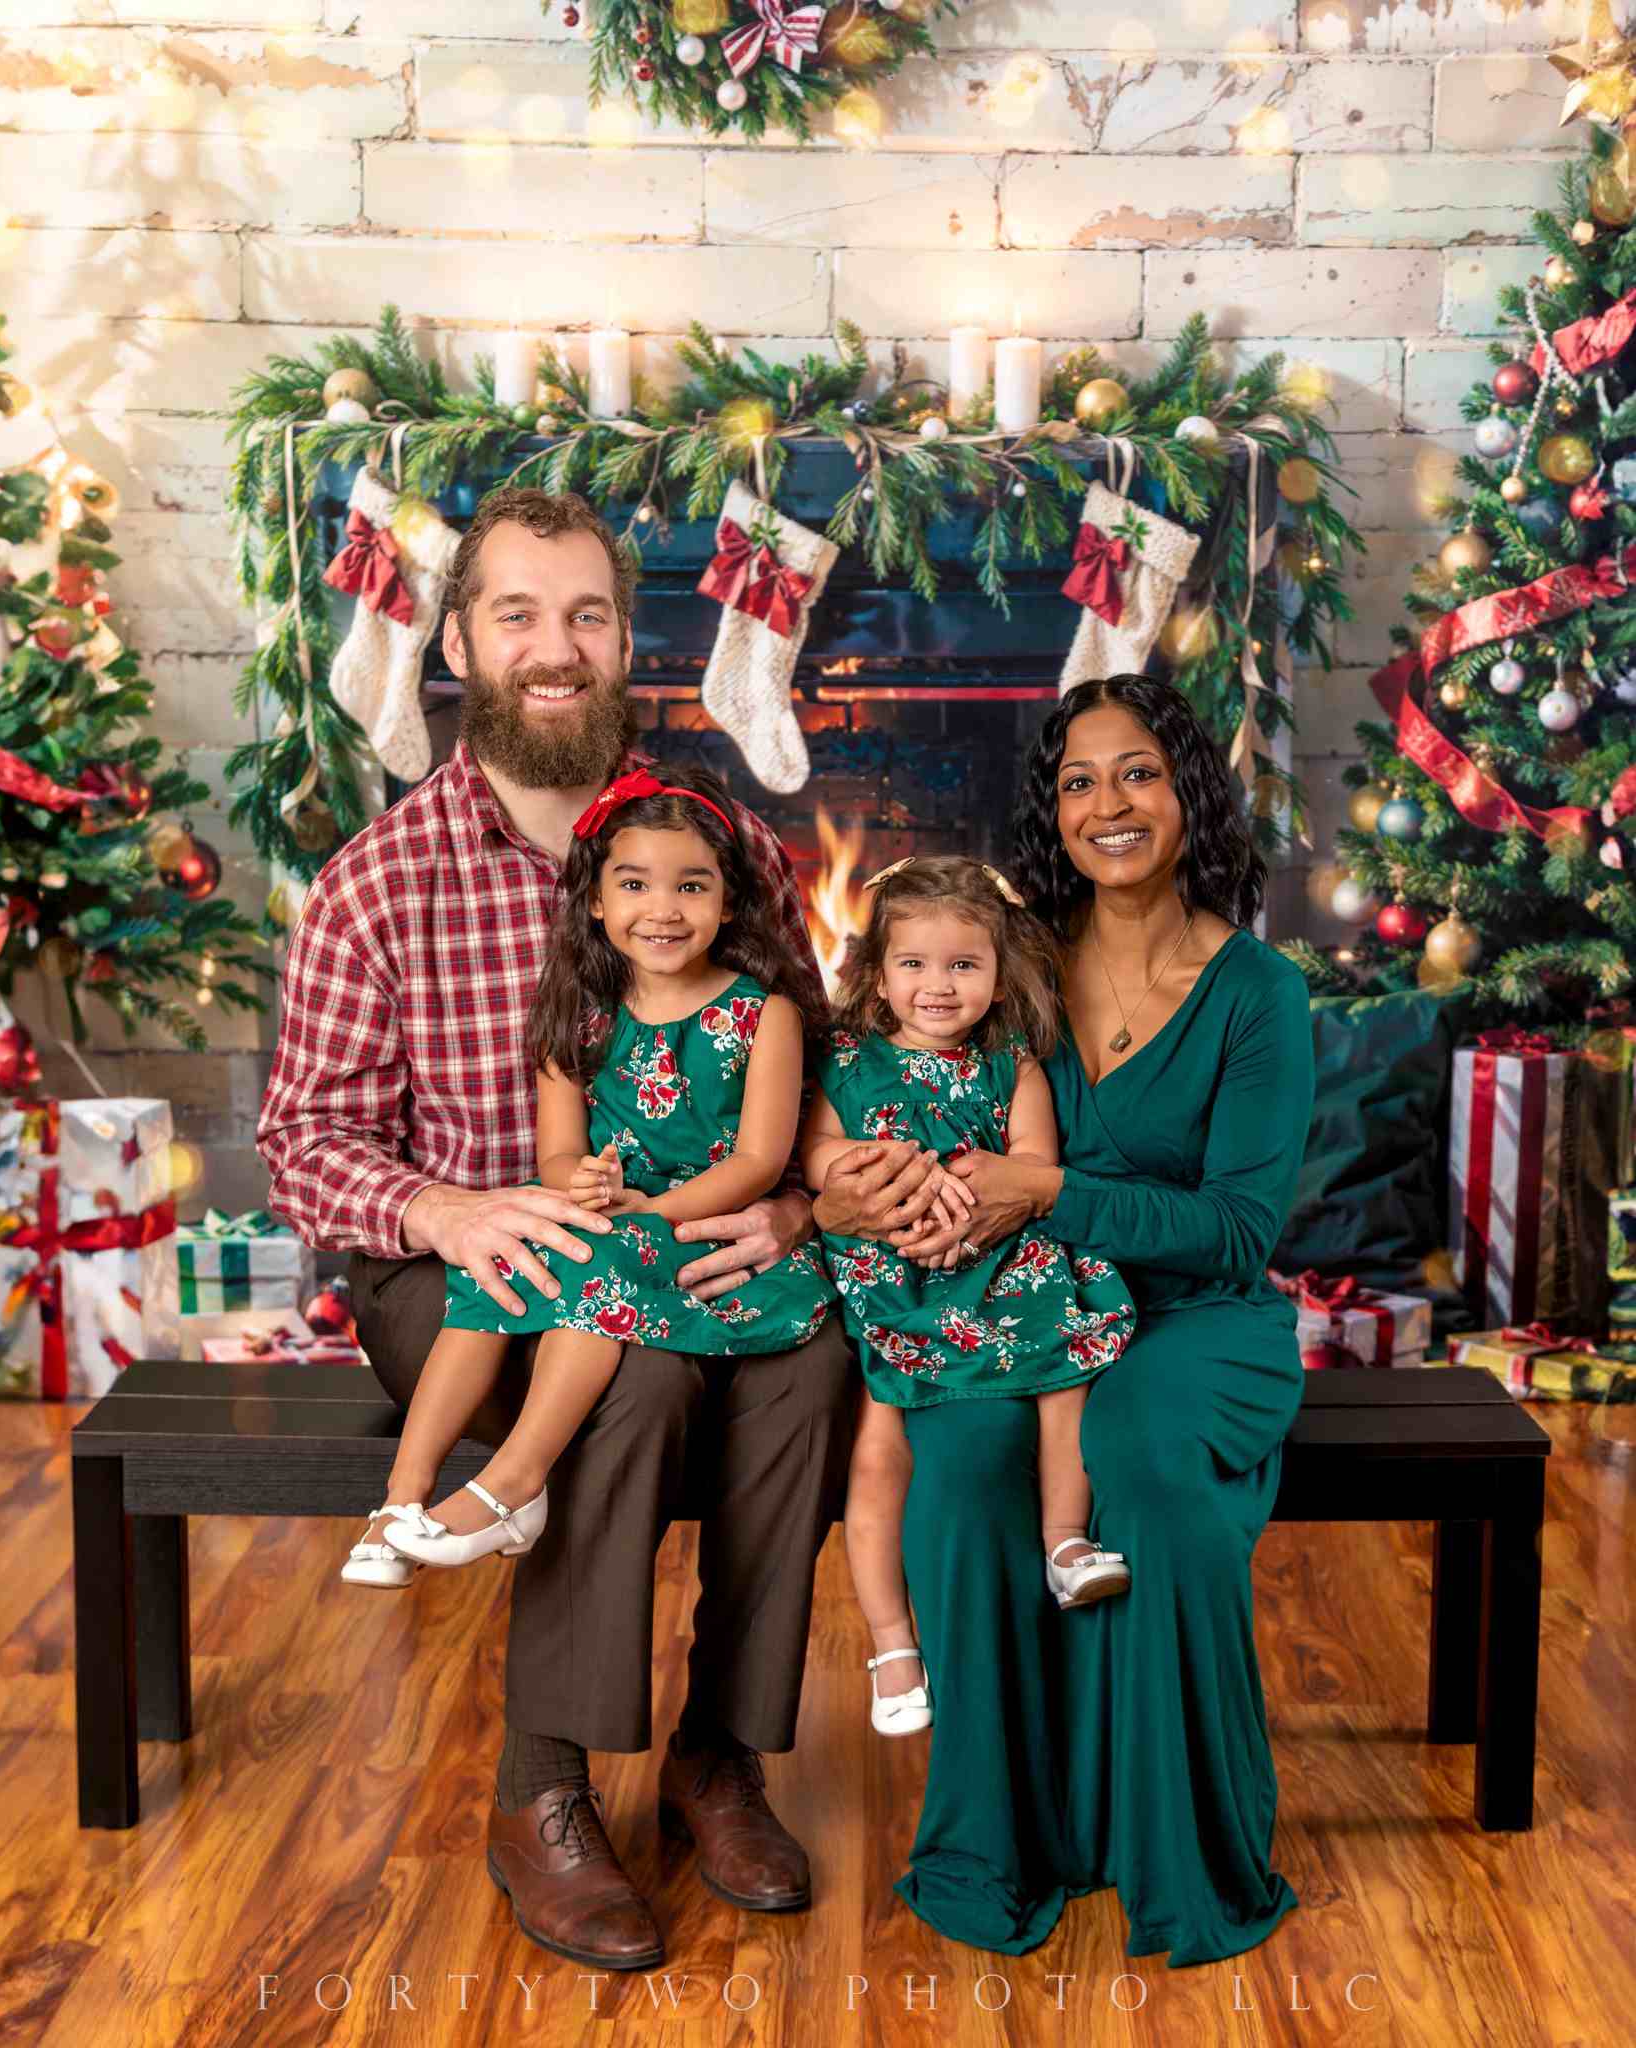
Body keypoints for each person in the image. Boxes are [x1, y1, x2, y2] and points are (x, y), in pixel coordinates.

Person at [258, 488, 948, 1972]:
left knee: (813, 1362)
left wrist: (785, 1205)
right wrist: (446, 1204)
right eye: (517, 613)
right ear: (460, 641)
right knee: (623, 1373)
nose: (553, 649)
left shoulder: (722, 848)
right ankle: (543, 1787)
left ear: (626, 644)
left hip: (695, 1234)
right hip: (462, 1272)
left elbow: (807, 1065)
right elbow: (302, 1142)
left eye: (585, 616)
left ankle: (718, 1753)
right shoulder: (376, 882)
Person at [812, 674, 1316, 1968]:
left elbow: (1236, 1232)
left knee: (1137, 1460)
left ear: (1185, 789)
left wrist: (1046, 1190)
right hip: (1008, 1305)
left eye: (1135, 771)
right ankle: (997, 1838)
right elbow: (884, 1096)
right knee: (964, 1464)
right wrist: (865, 1196)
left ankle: (1176, 1847)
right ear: (1050, 808)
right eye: (1077, 780)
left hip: (1194, 1318)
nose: (1108, 802)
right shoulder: (1007, 958)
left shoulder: (1255, 991)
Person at [340, 764, 837, 1582]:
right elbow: (558, 1155)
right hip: (619, 1224)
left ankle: (514, 1482)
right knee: (496, 1262)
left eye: (691, 885)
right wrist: (583, 1187)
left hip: (710, 1238)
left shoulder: (764, 1014)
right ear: (598, 901)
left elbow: (756, 1163)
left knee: (590, 1276)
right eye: (634, 883)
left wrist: (652, 1213)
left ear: (728, 902)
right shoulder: (575, 1014)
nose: (663, 909)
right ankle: (400, 1496)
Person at [801, 855, 1137, 1739]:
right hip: (891, 1263)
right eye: (913, 964)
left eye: (963, 966)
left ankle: (1065, 1541)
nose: (938, 986)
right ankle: (890, 1643)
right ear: (876, 975)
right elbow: (815, 1156)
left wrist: (980, 1196)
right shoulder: (844, 1062)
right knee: (878, 1451)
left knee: (1066, 1368)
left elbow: (1034, 1166)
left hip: (993, 1256)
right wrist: (896, 1176)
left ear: (998, 973)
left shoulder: (1009, 1064)